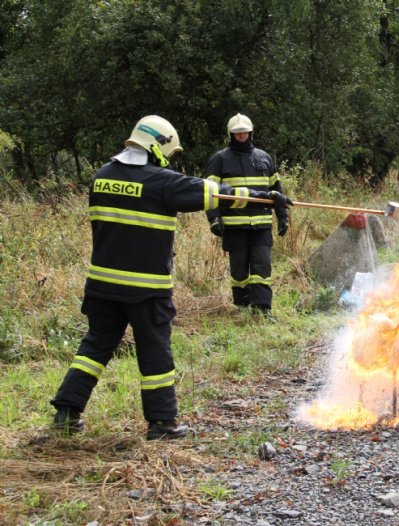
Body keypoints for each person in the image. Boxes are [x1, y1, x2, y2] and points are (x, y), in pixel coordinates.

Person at [50, 115, 292, 439]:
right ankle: (162, 423)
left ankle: (66, 412)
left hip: (102, 286)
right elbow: (218, 192)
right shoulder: (162, 182)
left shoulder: (101, 178)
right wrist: (267, 198)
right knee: (155, 353)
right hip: (146, 289)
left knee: (94, 348)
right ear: (158, 146)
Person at [205, 114, 289, 314]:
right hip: (234, 225)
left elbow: (277, 190)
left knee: (262, 266)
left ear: (250, 132)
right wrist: (213, 218)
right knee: (239, 269)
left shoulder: (264, 157)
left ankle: (262, 308)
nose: (241, 135)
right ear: (231, 134)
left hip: (261, 224)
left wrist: (283, 216)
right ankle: (242, 305)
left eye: (244, 132)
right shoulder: (219, 159)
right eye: (237, 133)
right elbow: (210, 192)